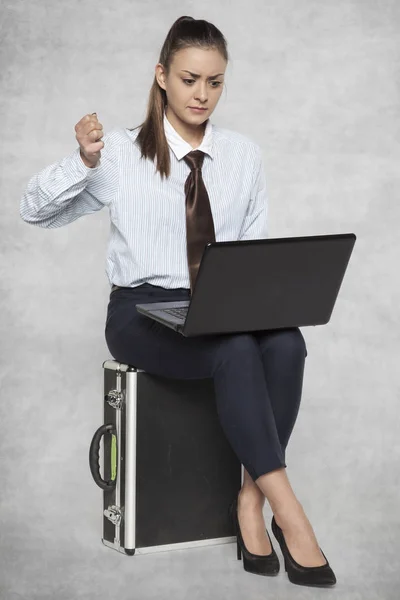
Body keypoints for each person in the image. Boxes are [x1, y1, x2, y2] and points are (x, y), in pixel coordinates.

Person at [20, 15, 336, 588]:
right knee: (235, 350)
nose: (202, 95)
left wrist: (269, 296)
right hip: (142, 311)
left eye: (215, 82)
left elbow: (252, 253)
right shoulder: (118, 151)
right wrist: (83, 162)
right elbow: (33, 211)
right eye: (190, 79)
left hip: (222, 301)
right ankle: (290, 514)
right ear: (162, 76)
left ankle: (248, 501)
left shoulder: (243, 155)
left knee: (286, 343)